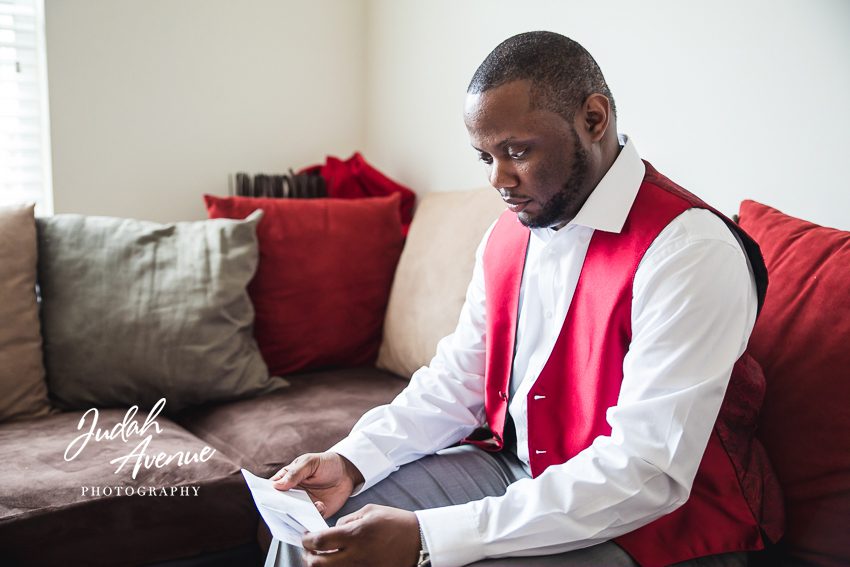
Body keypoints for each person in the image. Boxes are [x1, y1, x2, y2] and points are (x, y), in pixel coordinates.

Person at [264, 31, 781, 567]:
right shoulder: (508, 236)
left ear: (595, 120)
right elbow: (458, 379)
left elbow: (646, 471)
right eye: (484, 156)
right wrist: (351, 460)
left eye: (517, 151)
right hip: (515, 470)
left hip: (660, 525)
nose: (498, 179)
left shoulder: (689, 250)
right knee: (309, 530)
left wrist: (427, 538)